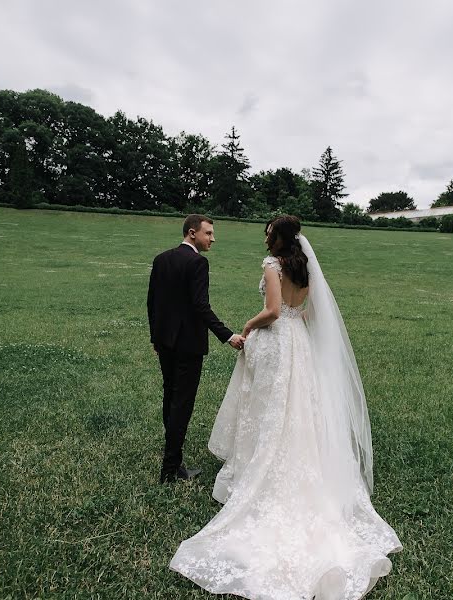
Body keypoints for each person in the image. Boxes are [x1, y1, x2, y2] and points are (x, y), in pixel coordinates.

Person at [170, 215, 401, 599]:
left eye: (267, 232)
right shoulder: (305, 268)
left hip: (277, 339)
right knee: (296, 407)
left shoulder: (273, 265)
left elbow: (274, 310)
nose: (264, 237)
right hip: (300, 342)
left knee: (270, 405)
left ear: (278, 237)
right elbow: (306, 312)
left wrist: (248, 323)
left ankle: (261, 464)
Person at [147, 214, 244, 484]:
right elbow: (201, 306)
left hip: (165, 342)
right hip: (188, 345)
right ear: (192, 233)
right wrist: (227, 336)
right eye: (208, 233)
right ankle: (170, 469)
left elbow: (152, 302)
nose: (213, 239)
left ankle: (172, 455)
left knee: (170, 395)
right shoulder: (198, 262)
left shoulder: (161, 259)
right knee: (182, 404)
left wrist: (156, 337)